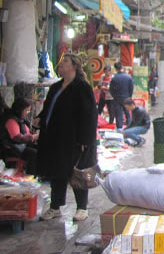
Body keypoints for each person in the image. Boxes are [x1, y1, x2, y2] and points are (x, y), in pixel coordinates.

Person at [34, 53, 98, 222]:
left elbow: (90, 115)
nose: (61, 65)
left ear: (74, 67)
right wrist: (40, 118)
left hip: (74, 139)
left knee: (77, 173)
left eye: (65, 62)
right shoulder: (56, 87)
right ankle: (55, 207)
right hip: (54, 138)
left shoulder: (82, 87)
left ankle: (82, 208)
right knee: (57, 172)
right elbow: (49, 107)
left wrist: (85, 140)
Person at [0, 97, 38, 174]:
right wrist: (32, 137)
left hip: (22, 146)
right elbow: (16, 137)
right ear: (19, 110)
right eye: (26, 111)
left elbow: (28, 132)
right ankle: (30, 174)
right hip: (13, 149)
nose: (27, 113)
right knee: (34, 153)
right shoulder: (11, 120)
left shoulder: (22, 120)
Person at [110, 61, 133, 129]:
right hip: (126, 97)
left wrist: (114, 96)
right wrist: (129, 96)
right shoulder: (128, 77)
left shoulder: (114, 78)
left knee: (119, 114)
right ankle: (129, 127)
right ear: (122, 67)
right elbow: (131, 88)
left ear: (115, 68)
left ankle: (119, 128)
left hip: (117, 98)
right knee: (127, 113)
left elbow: (111, 89)